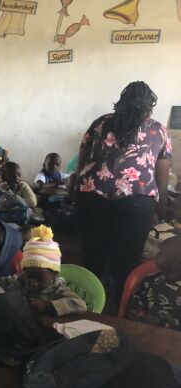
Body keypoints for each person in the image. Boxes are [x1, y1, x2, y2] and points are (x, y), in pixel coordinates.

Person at [75, 82, 172, 308]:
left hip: (93, 193)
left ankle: (87, 306)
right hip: (137, 200)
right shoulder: (158, 129)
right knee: (125, 261)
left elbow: (84, 153)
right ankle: (117, 308)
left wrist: (78, 182)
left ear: (121, 101)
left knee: (92, 256)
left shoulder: (101, 122)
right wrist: (162, 201)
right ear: (149, 105)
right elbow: (163, 167)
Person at [0, 225, 87, 316]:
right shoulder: (20, 280)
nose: (32, 282)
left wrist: (48, 306)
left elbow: (81, 305)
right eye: (29, 276)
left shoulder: (57, 288)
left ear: (54, 274)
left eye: (40, 278)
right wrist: (1, 296)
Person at [127, 236, 181, 331]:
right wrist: (135, 311)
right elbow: (138, 297)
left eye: (161, 254)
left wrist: (161, 324)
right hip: (140, 328)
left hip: (169, 336)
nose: (156, 255)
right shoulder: (152, 279)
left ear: (176, 263)